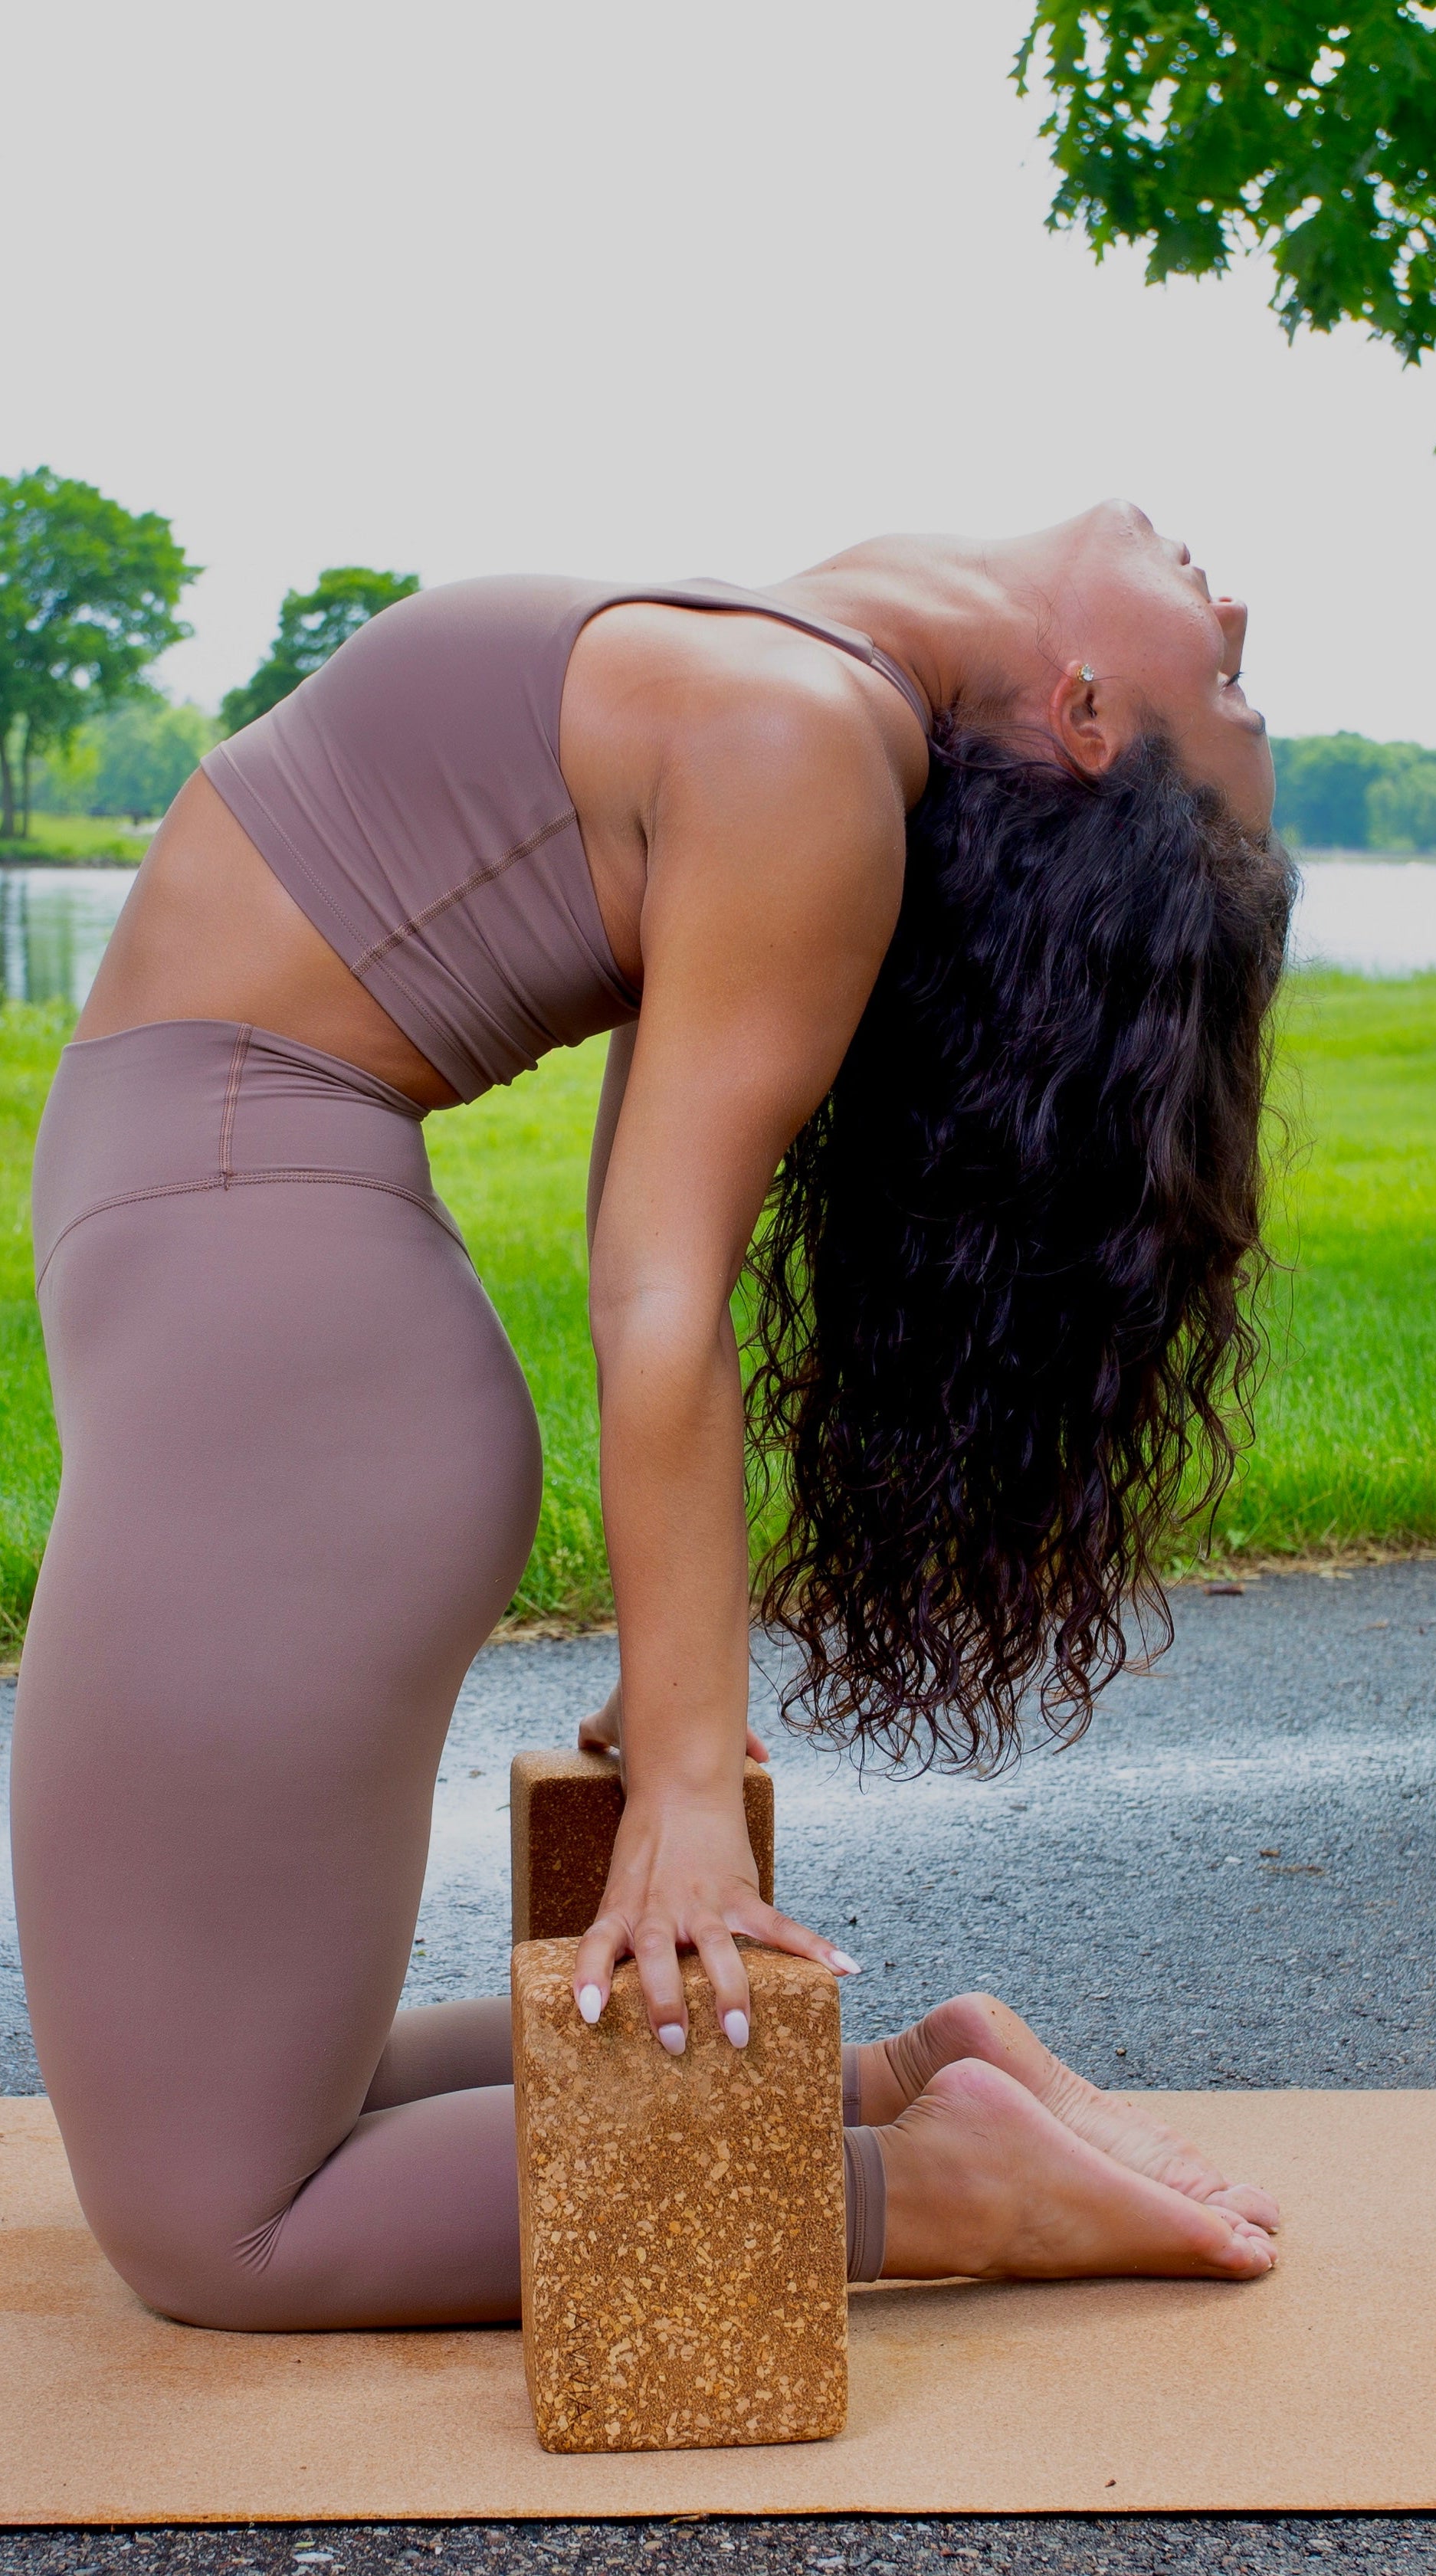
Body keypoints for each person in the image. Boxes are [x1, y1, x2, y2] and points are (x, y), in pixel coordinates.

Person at [10, 503, 1295, 2331]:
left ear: (1090, 712)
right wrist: (660, 1671)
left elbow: (661, 1287)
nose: (1228, 592)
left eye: (1231, 670)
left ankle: (929, 2190)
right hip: (268, 1358)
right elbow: (640, 1164)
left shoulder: (793, 742)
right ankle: (897, 2084)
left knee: (220, 2228)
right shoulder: (798, 686)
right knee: (285, 2094)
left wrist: (689, 1779)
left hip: (277, 1396)